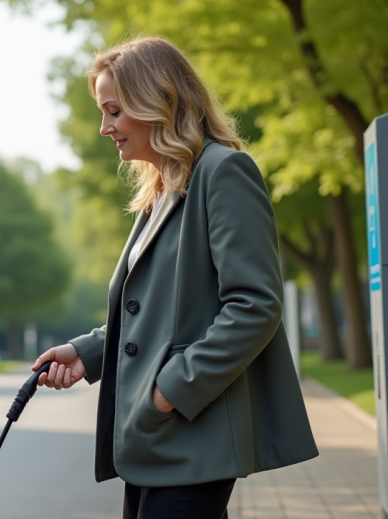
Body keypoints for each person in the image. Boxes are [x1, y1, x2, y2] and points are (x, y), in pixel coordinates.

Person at [32, 37, 318, 519]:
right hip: (159, 437)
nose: (105, 128)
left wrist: (171, 391)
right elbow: (157, 309)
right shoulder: (162, 190)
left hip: (191, 433)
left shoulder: (224, 172)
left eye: (113, 111)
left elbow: (255, 305)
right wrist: (89, 352)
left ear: (155, 101)